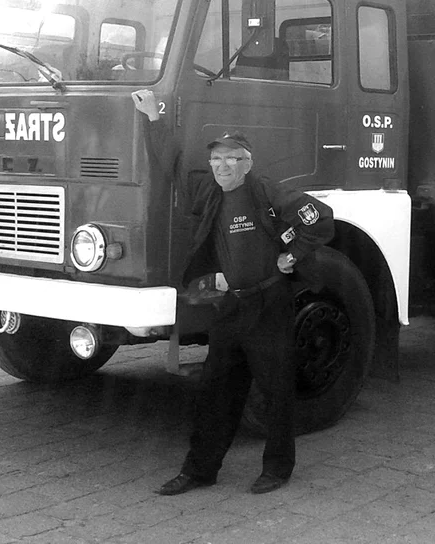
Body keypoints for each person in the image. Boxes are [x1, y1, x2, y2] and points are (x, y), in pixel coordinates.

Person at [131, 91, 334, 496]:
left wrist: (290, 255)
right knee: (215, 392)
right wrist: (154, 118)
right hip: (231, 306)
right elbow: (172, 165)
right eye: (217, 159)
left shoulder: (265, 191)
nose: (224, 165)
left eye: (233, 158)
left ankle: (277, 469)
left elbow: (321, 219)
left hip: (268, 304)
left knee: (276, 392)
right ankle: (200, 470)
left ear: (247, 162)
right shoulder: (208, 193)